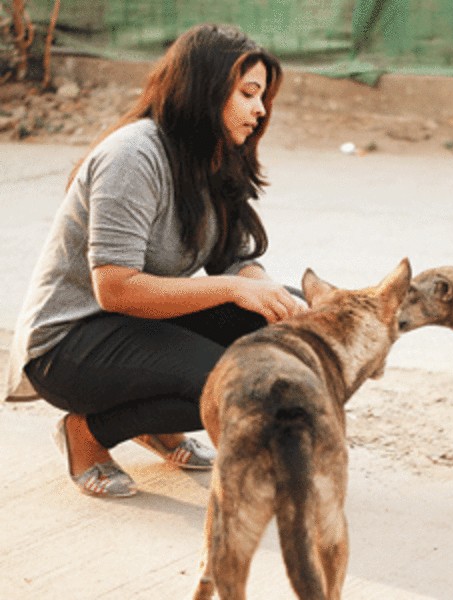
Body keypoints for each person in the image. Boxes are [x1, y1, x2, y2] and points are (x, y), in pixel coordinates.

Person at [3, 23, 305, 498]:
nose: (260, 109)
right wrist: (233, 289)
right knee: (228, 380)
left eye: (263, 96)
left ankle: (151, 423)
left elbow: (235, 258)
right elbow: (116, 288)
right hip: (68, 342)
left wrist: (263, 291)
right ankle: (86, 434)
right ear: (207, 88)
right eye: (248, 93)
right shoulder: (134, 155)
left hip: (138, 324)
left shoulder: (216, 155)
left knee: (283, 331)